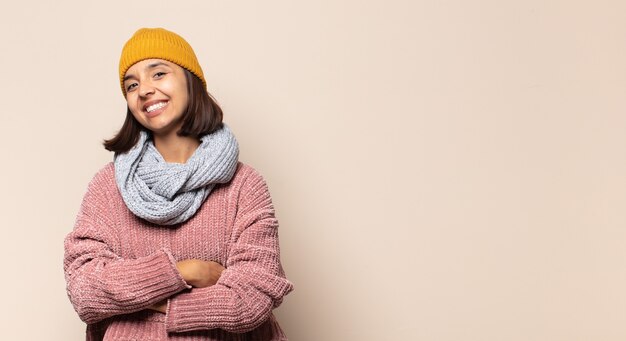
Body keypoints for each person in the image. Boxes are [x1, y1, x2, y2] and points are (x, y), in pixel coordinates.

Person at [63, 27, 293, 340]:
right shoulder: (109, 186)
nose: (144, 90)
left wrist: (142, 300)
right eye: (132, 85)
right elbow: (85, 290)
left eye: (158, 73)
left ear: (190, 79)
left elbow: (252, 298)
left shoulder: (244, 185)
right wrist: (185, 272)